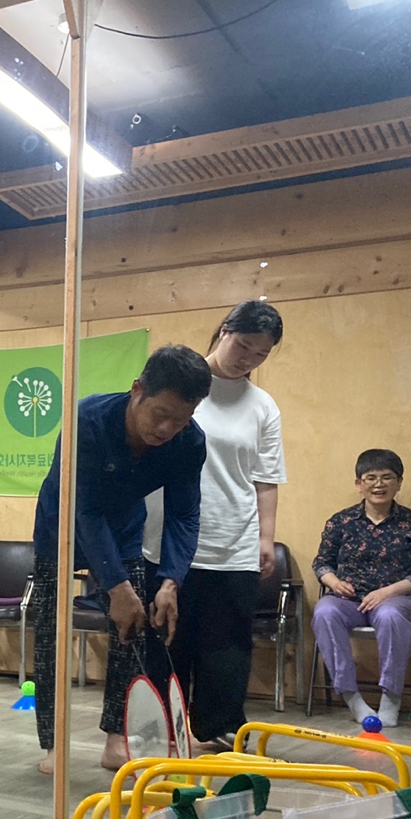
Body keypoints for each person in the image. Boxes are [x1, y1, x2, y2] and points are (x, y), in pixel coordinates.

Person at [30, 345, 211, 775]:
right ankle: (54, 744)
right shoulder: (88, 421)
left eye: (181, 419)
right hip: (62, 526)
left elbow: (184, 514)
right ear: (137, 390)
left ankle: (117, 739)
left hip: (125, 529)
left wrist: (170, 581)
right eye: (160, 414)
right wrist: (116, 587)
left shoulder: (189, 441)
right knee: (51, 633)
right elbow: (85, 511)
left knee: (133, 629)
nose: (167, 429)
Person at [143, 301, 285, 746]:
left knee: (227, 648)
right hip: (169, 539)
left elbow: (266, 478)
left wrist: (265, 537)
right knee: (167, 642)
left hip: (234, 541)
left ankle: (220, 731)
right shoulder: (182, 384)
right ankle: (162, 733)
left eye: (260, 354)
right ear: (224, 331)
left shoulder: (263, 405)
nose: (248, 359)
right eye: (243, 345)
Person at [311, 448, 411, 727]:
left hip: (399, 602)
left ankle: (391, 699)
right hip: (350, 601)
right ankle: (352, 698)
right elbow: (321, 563)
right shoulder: (341, 522)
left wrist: (387, 592)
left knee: (390, 615)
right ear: (359, 484)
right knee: (324, 612)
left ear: (399, 483)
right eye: (371, 478)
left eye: (387, 477)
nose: (379, 484)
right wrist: (334, 582)